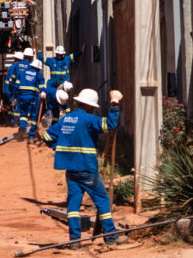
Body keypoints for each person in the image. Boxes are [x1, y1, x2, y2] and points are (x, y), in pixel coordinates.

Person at [40, 88, 128, 247]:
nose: (94, 109)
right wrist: (114, 104)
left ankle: (75, 240)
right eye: (94, 107)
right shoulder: (88, 119)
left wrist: (57, 148)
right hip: (87, 169)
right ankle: (110, 235)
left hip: (71, 170)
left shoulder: (66, 119)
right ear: (90, 106)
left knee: (73, 204)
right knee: (102, 200)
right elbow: (110, 125)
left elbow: (46, 136)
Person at [14, 55, 44, 142]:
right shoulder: (38, 75)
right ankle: (31, 137)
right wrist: (43, 92)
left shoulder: (22, 73)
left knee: (23, 115)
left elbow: (16, 86)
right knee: (34, 117)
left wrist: (16, 96)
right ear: (38, 68)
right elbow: (42, 88)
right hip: (33, 98)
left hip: (22, 97)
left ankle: (22, 130)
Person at [4, 48, 33, 124]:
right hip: (14, 89)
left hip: (10, 89)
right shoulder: (25, 66)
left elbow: (11, 79)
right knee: (17, 105)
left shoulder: (14, 66)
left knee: (14, 104)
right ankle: (15, 121)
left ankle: (10, 120)